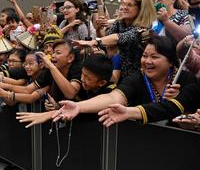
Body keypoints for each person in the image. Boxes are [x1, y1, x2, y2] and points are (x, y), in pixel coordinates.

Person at [16, 36, 196, 127]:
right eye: (144, 56)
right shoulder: (137, 79)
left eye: (154, 57)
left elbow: (174, 107)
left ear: (171, 61)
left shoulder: (187, 80)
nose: (147, 61)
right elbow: (112, 98)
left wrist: (129, 112)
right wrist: (78, 107)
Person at [74, 0, 157, 79]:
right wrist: (98, 30)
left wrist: (93, 42)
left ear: (141, 8)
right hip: (123, 74)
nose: (125, 7)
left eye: (129, 5)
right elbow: (109, 46)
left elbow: (117, 38)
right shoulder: (120, 23)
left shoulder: (143, 28)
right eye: (124, 3)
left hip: (141, 76)